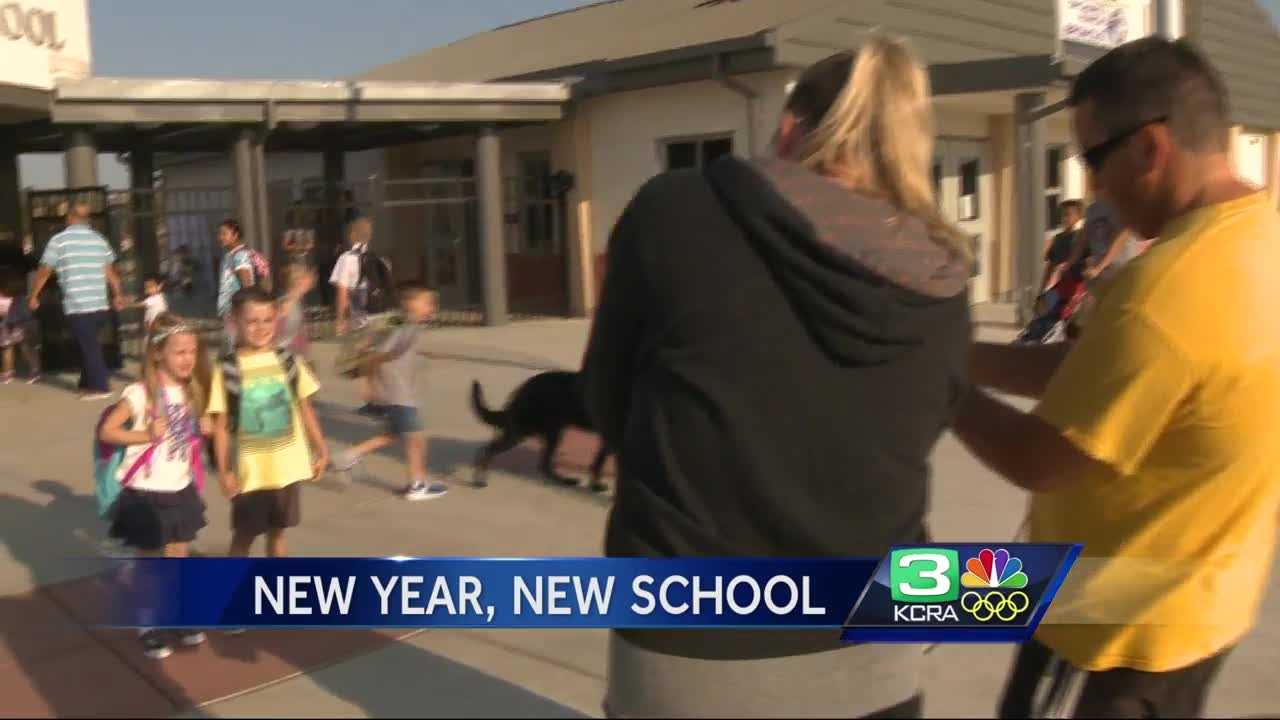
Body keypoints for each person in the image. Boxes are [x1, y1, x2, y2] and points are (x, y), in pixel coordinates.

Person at [582, 36, 971, 719]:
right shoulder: (941, 275)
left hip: (693, 639)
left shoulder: (674, 210)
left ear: (790, 128)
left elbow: (608, 396)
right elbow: (919, 430)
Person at [951, 37, 1280, 718]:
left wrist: (935, 389)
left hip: (1112, 633)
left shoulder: (1166, 290)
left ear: (1151, 148)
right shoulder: (1259, 237)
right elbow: (1102, 374)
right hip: (1204, 609)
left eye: (1093, 159)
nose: (1093, 187)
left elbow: (1041, 458)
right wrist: (960, 354)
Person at [96, 313, 212, 659]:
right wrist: (144, 433)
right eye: (180, 352)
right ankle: (148, 623)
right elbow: (107, 431)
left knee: (179, 557)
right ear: (158, 353)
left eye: (192, 351)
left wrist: (201, 429)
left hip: (180, 487)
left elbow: (182, 440)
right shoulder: (140, 392)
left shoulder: (191, 390)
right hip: (147, 493)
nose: (188, 358)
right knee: (150, 561)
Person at [209, 287, 328, 560]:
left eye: (267, 320)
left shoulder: (288, 361)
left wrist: (321, 449)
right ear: (234, 322)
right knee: (244, 536)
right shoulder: (228, 368)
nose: (260, 328)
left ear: (276, 320)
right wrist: (225, 471)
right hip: (250, 473)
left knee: (278, 532)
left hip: (287, 468)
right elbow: (221, 425)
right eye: (251, 321)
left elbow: (305, 408)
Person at [331, 283, 448, 501]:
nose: (431, 308)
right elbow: (378, 353)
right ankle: (417, 484)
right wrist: (368, 384)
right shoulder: (406, 325)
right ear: (412, 303)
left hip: (395, 391)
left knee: (393, 434)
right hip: (399, 394)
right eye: (427, 303)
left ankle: (348, 456)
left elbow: (377, 348)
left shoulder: (397, 320)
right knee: (416, 439)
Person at [27, 201, 125, 400]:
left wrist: (34, 295)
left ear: (69, 218)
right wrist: (118, 295)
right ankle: (86, 383)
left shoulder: (59, 241)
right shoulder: (99, 239)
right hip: (100, 305)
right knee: (88, 343)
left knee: (89, 346)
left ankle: (100, 387)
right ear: (87, 219)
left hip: (78, 304)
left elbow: (44, 271)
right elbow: (111, 272)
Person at [330, 216, 380, 416]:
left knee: (363, 362)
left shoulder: (346, 259)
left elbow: (342, 292)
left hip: (360, 319)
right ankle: (381, 401)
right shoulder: (377, 258)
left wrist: (340, 320)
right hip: (379, 316)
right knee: (373, 359)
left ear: (352, 236)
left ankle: (374, 402)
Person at [216, 219, 254, 353]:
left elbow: (246, 284)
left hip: (236, 310)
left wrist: (242, 309)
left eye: (224, 233)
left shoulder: (240, 255)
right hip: (229, 310)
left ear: (235, 235)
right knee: (231, 346)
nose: (220, 237)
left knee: (235, 348)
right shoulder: (229, 255)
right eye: (220, 234)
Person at [0, 269, 39, 383]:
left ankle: (8, 373)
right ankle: (34, 371)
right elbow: (28, 313)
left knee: (8, 349)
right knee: (26, 349)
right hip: (21, 326)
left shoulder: (10, 298)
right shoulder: (21, 298)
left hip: (8, 327)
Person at [276, 263, 315, 361]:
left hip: (294, 353)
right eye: (307, 277)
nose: (312, 279)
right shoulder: (286, 303)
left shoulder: (296, 301)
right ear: (299, 281)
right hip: (286, 355)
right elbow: (278, 331)